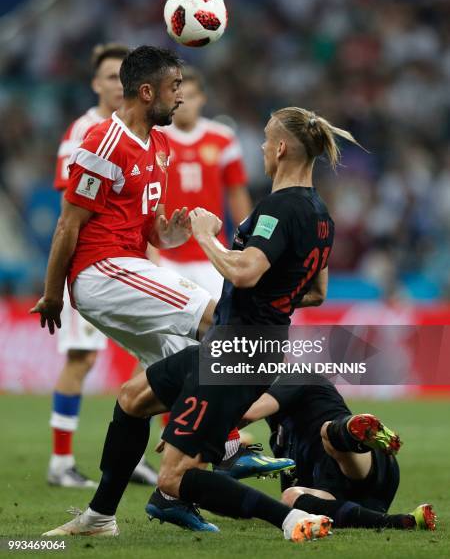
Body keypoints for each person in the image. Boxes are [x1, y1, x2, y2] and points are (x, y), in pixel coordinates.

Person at [42, 106, 357, 543]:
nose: (262, 147)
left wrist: (205, 235)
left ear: (282, 149)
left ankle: (289, 519)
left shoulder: (279, 209)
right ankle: (100, 516)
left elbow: (245, 272)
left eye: (267, 140)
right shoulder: (321, 215)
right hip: (247, 347)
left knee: (172, 479)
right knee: (133, 398)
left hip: (237, 353)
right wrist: (271, 302)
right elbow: (316, 291)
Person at [32, 45, 291, 533]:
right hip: (101, 272)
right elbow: (69, 225)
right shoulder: (103, 142)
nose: (181, 98)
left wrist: (174, 231)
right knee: (221, 321)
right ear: (147, 91)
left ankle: (99, 515)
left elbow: (152, 231)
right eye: (175, 88)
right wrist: (52, 294)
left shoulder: (158, 145)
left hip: (127, 265)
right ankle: (230, 444)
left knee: (143, 393)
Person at [49, 42, 158, 488]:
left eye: (122, 77)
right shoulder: (85, 131)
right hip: (93, 261)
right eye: (110, 77)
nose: (117, 85)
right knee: (82, 356)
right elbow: (69, 203)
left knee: (149, 353)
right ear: (96, 83)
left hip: (128, 259)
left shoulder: (139, 131)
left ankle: (131, 454)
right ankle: (60, 462)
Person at [241, 379, 436, 531]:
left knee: (328, 431)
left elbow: (247, 414)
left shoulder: (297, 376)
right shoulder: (279, 436)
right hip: (347, 494)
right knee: (291, 497)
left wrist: (216, 424)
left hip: (363, 463)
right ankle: (402, 522)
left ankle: (359, 431)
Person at [159, 67, 252, 300]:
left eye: (190, 96)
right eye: (178, 97)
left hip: (212, 253)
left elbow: (237, 193)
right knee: (171, 333)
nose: (185, 104)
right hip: (167, 256)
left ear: (202, 99)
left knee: (219, 327)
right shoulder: (156, 138)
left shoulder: (222, 138)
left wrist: (247, 243)